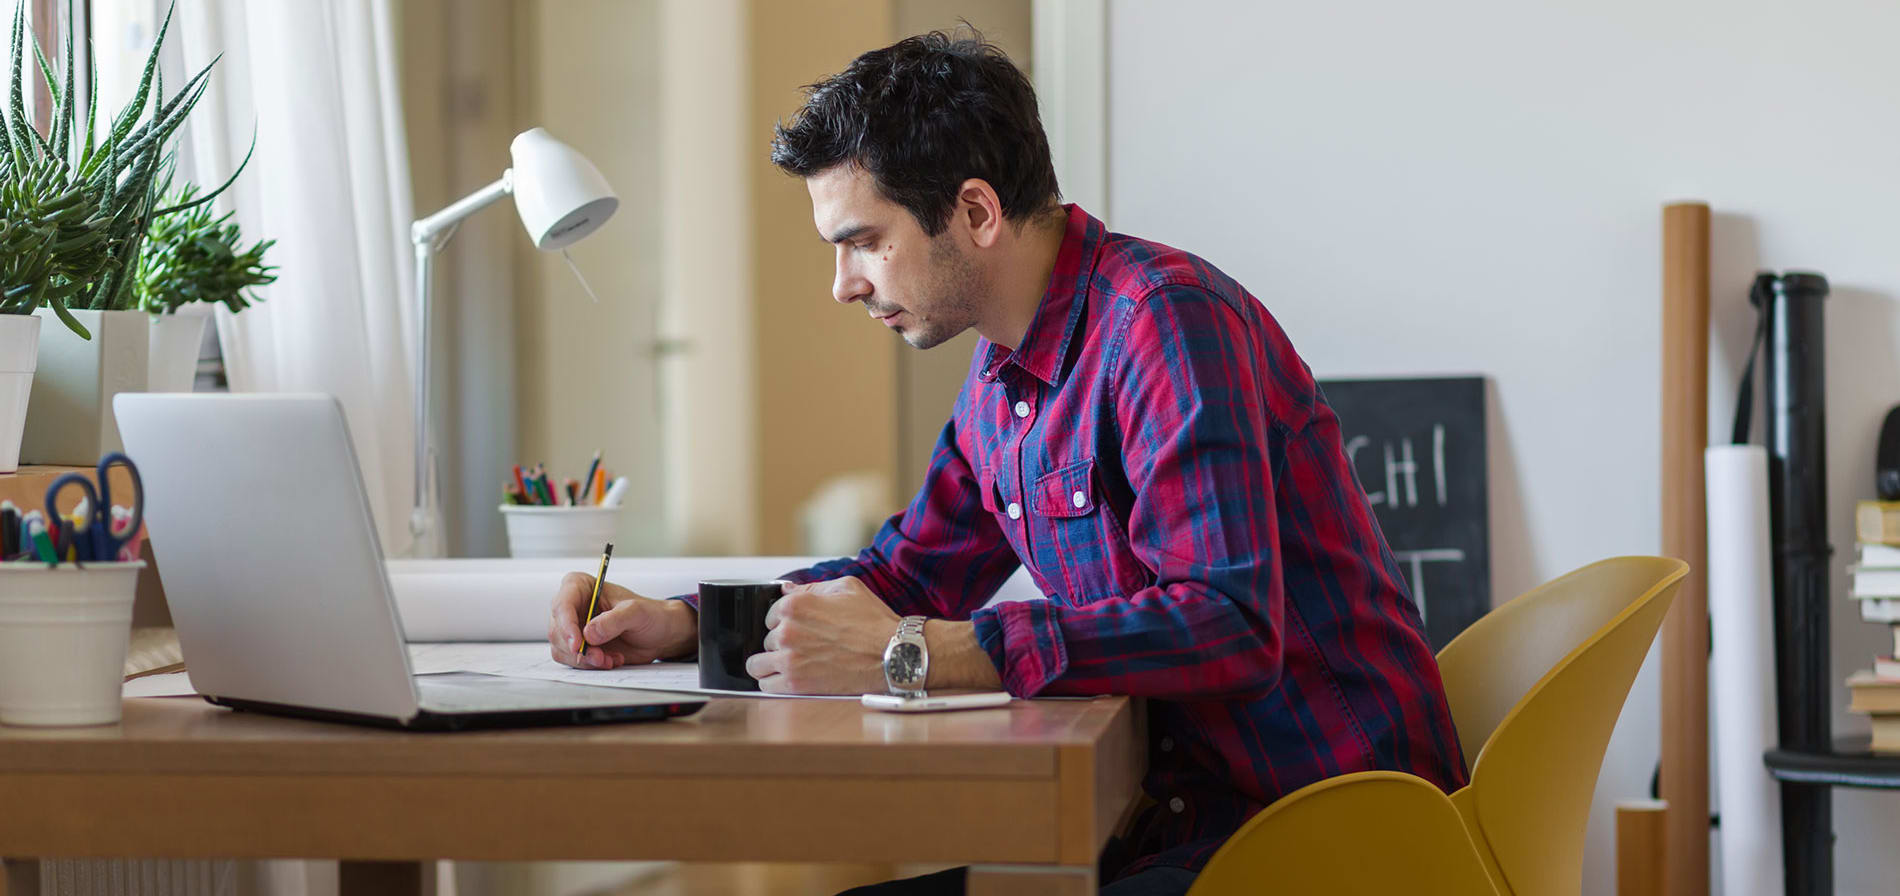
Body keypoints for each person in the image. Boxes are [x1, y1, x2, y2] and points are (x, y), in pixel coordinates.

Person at [547, 30, 1466, 896]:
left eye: (864, 241)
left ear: (976, 212)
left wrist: (921, 652)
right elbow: (906, 572)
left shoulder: (1162, 325)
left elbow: (1227, 624)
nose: (844, 284)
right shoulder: (1005, 372)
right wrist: (686, 620)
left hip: (1337, 836)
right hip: (1191, 824)